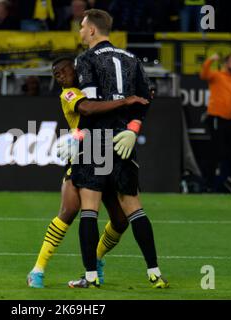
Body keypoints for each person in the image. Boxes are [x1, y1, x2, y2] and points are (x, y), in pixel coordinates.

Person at [26, 56, 149, 288]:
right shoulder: (70, 94)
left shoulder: (96, 89)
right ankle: (38, 269)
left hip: (108, 154)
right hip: (84, 155)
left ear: (76, 70)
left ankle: (97, 259)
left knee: (121, 220)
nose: (59, 76)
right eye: (56, 74)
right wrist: (124, 102)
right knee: (69, 209)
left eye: (62, 71)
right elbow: (88, 109)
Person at [67, 9, 168, 289]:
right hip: (123, 140)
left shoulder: (85, 59)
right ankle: (155, 272)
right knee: (134, 208)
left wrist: (77, 134)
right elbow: (146, 98)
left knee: (90, 209)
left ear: (92, 31)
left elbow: (90, 105)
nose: (80, 32)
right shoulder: (132, 58)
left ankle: (90, 277)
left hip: (96, 139)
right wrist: (133, 129)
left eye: (82, 27)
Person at [200, 53, 231, 193]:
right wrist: (210, 59)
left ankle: (226, 181)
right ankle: (210, 183)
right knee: (217, 151)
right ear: (226, 63)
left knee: (230, 152)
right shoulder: (217, 75)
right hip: (216, 117)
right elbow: (204, 75)